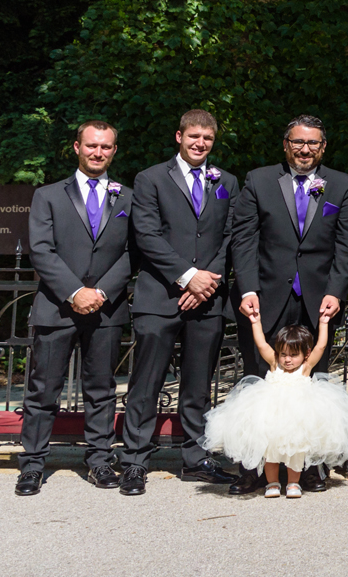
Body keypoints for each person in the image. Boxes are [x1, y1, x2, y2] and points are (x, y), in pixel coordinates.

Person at [227, 115, 348, 492]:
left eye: (313, 143)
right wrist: (248, 288)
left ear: (323, 147)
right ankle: (252, 469)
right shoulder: (258, 180)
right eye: (298, 142)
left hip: (319, 301)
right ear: (285, 144)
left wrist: (335, 290)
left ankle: (310, 469)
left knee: (313, 386)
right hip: (267, 296)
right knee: (259, 382)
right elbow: (244, 239)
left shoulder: (343, 184)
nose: (306, 150)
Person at [118, 109, 243, 495]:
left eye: (207, 138)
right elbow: (147, 234)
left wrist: (206, 282)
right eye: (193, 136)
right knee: (146, 381)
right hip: (160, 297)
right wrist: (188, 277)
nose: (200, 143)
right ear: (179, 136)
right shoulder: (151, 178)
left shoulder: (227, 181)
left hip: (208, 299)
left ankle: (196, 458)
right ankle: (135, 460)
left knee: (198, 384)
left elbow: (230, 236)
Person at [15, 119, 134, 496]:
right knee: (42, 390)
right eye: (92, 145)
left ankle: (99, 460)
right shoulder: (48, 195)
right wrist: (74, 292)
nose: (98, 152)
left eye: (106, 147)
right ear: (77, 147)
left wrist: (100, 291)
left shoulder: (127, 197)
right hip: (57, 306)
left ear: (114, 151)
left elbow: (136, 251)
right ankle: (32, 464)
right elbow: (42, 250)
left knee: (101, 388)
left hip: (107, 308)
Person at [203, 315, 348, 499]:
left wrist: (324, 323)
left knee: (296, 452)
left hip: (297, 419)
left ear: (306, 354)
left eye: (294, 355)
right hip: (272, 417)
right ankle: (273, 483)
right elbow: (261, 344)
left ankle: (293, 483)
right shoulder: (274, 364)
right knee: (270, 452)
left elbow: (321, 346)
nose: (287, 360)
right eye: (284, 354)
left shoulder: (305, 367)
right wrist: (256, 322)